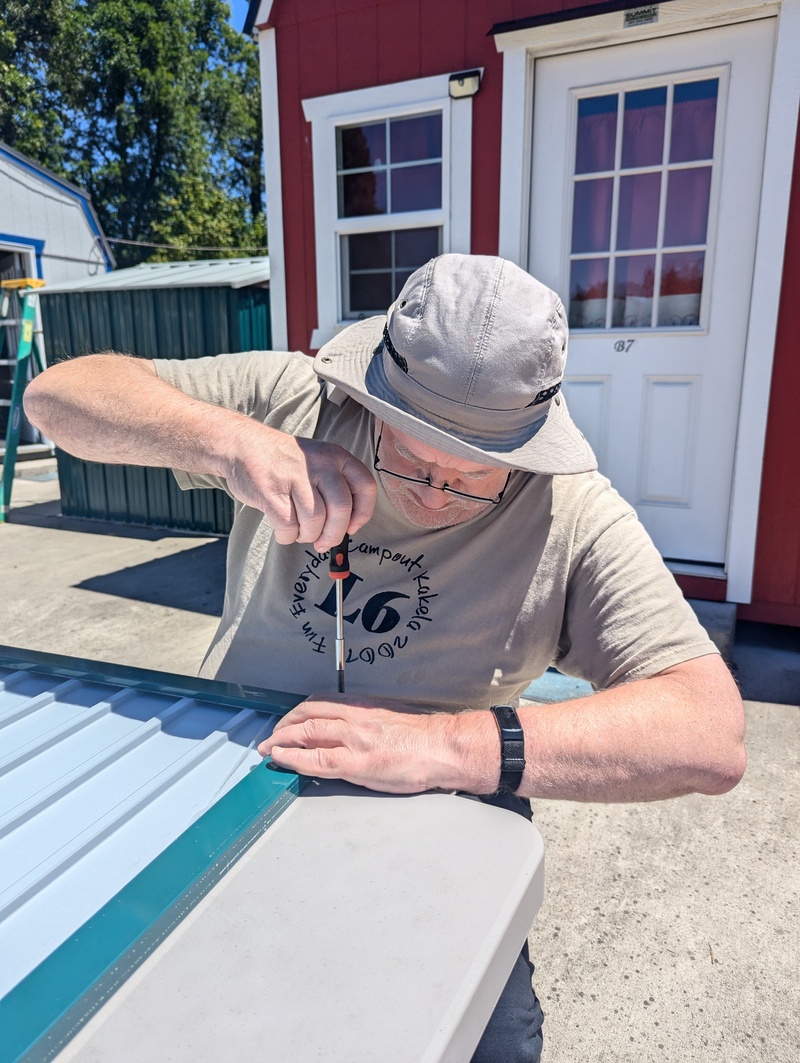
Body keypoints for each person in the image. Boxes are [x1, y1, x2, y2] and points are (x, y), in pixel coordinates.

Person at [24, 254, 745, 1062]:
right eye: (411, 452)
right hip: (236, 770)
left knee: (483, 1039)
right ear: (370, 397)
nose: (437, 492)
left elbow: (709, 733)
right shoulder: (296, 400)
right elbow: (58, 397)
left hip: (446, 803)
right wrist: (231, 443)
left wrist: (443, 745)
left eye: (476, 475)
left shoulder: (570, 512)